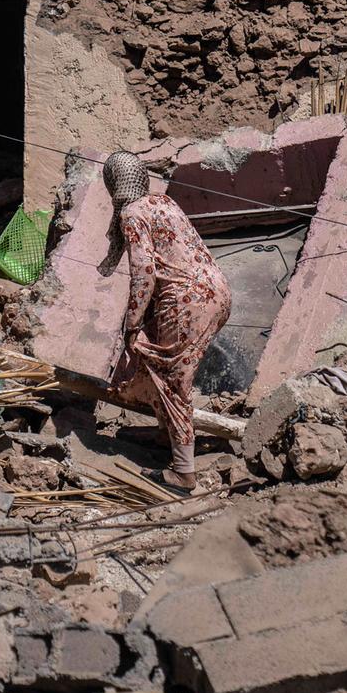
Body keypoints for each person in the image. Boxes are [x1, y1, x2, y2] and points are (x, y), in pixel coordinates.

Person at [98, 151, 232, 491]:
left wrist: (132, 322)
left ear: (114, 184)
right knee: (159, 364)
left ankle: (183, 470)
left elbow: (144, 272)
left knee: (174, 380)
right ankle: (166, 434)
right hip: (216, 291)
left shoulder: (132, 213)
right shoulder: (164, 203)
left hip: (186, 300)